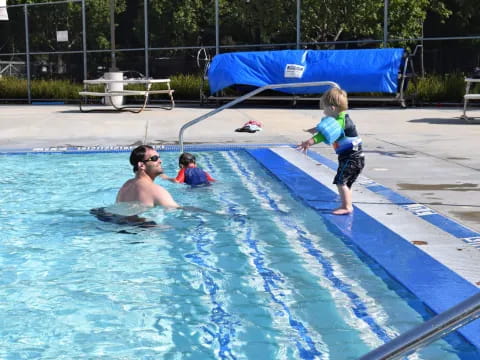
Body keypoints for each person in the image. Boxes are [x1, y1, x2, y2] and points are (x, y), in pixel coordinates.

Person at [297, 87, 365, 215]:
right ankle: (347, 203)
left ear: (332, 108)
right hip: (356, 157)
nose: (323, 112)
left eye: (324, 109)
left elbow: (324, 135)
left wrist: (308, 142)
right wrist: (316, 128)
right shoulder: (343, 116)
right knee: (346, 182)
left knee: (340, 181)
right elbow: (327, 126)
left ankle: (347, 207)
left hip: (350, 158)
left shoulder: (339, 122)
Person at [116, 145, 180, 208]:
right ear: (141, 165)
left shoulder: (126, 186)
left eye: (159, 157)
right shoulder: (156, 191)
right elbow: (179, 213)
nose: (160, 161)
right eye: (154, 158)